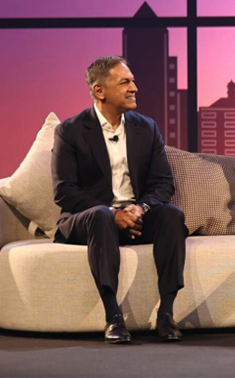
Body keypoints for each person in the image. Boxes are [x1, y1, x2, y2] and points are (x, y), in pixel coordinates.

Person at [52, 56, 187, 344]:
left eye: (133, 81)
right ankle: (113, 316)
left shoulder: (146, 127)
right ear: (99, 91)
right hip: (90, 220)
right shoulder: (71, 130)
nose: (134, 88)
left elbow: (163, 182)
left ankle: (166, 314)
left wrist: (141, 208)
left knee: (172, 215)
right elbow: (63, 190)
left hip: (135, 216)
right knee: (101, 216)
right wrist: (113, 214)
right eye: (125, 82)